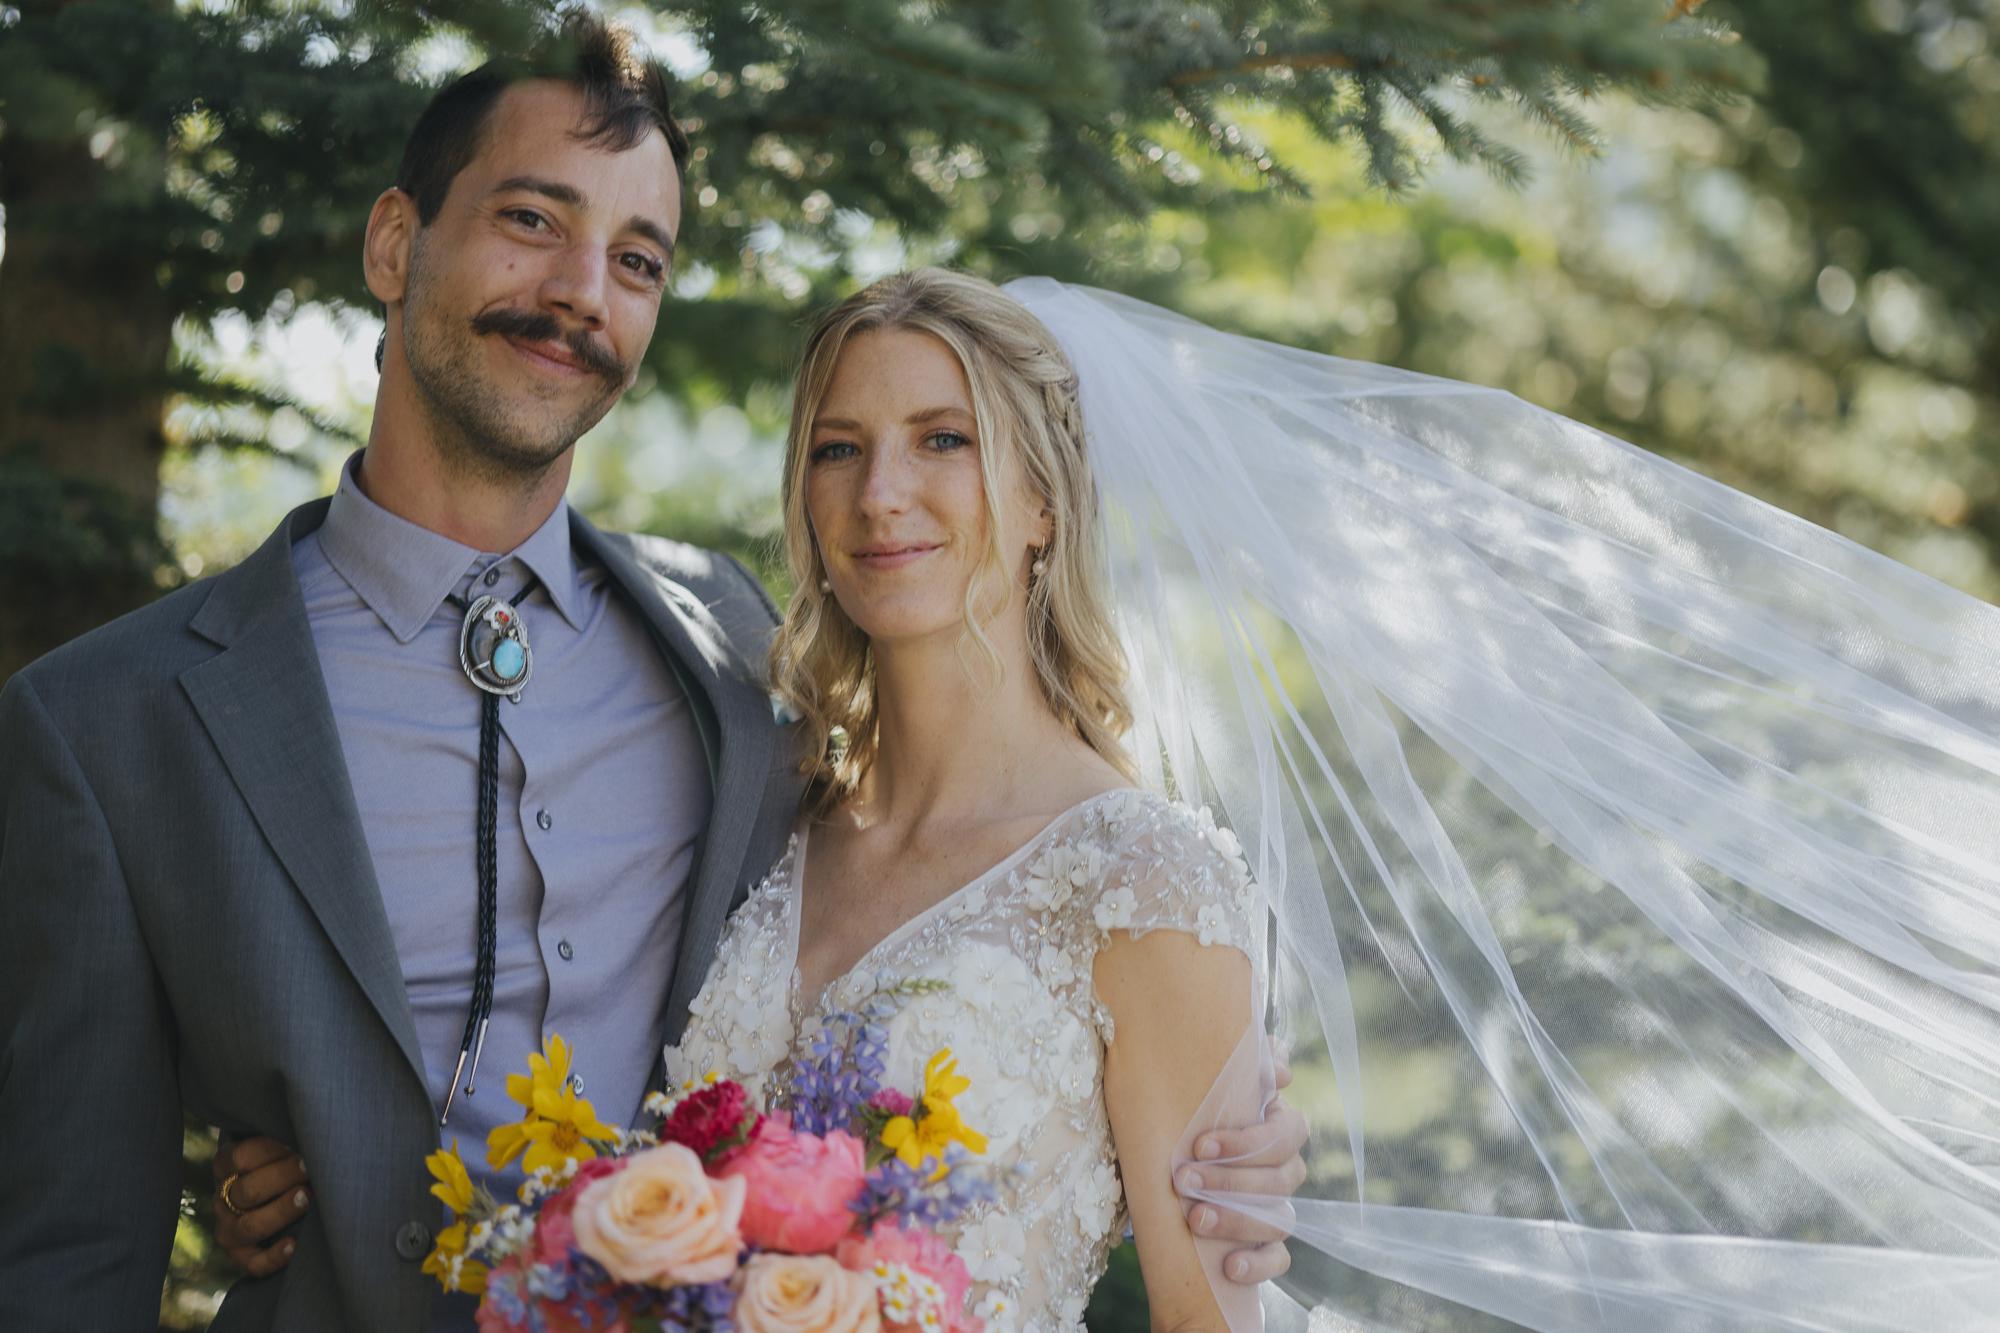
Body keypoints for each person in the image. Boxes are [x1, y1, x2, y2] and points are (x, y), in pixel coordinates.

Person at [0, 20, 1300, 1333]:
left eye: (635, 259)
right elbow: (65, 1246)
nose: (580, 289)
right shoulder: (111, 723)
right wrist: (277, 1175)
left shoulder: (725, 663)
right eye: (530, 217)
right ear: (395, 243)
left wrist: (1221, 1119)